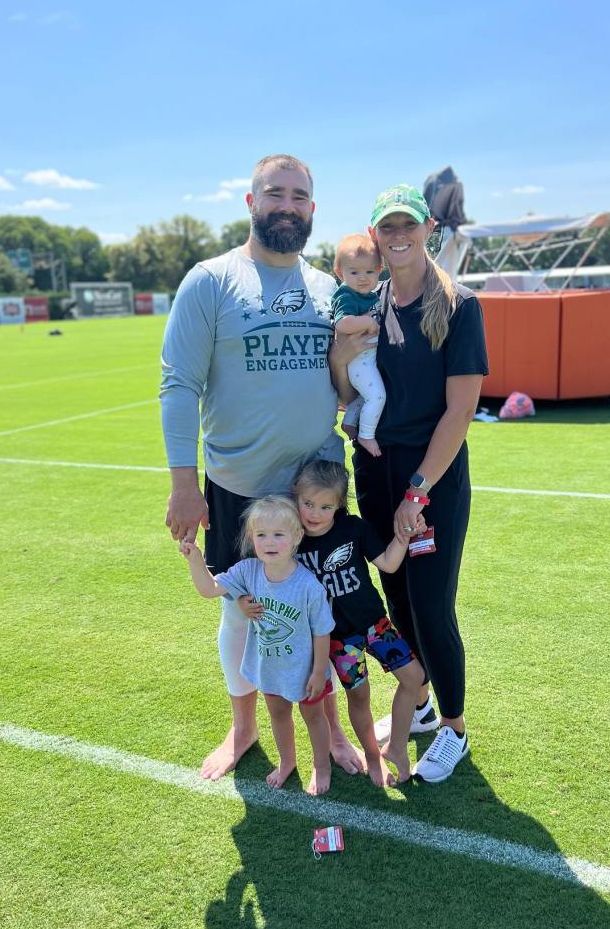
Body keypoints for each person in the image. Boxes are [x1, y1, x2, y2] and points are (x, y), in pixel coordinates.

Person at [161, 153, 367, 781]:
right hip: (241, 490)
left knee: (322, 613)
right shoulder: (211, 280)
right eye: (274, 193)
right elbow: (178, 385)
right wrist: (183, 484)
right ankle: (244, 726)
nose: (286, 204)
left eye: (299, 196)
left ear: (312, 210)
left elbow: (345, 384)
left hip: (316, 492)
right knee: (241, 611)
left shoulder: (329, 290)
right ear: (251, 203)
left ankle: (331, 730)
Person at [331, 183, 489, 783]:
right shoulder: (368, 306)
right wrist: (341, 359)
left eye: (408, 225)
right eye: (386, 228)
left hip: (431, 480)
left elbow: (460, 411)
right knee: (395, 597)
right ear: (374, 237)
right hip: (374, 470)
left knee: (430, 604)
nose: (398, 236)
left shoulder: (459, 304)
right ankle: (417, 707)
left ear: (428, 230)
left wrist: (417, 493)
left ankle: (453, 727)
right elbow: (349, 397)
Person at [180, 496, 335, 795]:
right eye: (261, 535)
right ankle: (287, 761)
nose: (269, 542)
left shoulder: (308, 586)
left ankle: (321, 765)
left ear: (296, 537)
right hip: (270, 668)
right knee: (278, 715)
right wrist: (194, 556)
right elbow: (209, 589)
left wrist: (318, 672)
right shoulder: (248, 571)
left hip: (304, 671)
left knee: (314, 718)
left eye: (279, 534)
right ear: (252, 538)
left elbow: (322, 631)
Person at [292, 460, 426, 786]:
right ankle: (372, 756)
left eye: (325, 506)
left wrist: (405, 534)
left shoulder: (354, 528)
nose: (314, 513)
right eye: (308, 503)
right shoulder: (294, 540)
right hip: (338, 640)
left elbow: (390, 564)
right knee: (360, 697)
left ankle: (395, 747)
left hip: (375, 625)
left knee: (415, 677)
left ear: (338, 505)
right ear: (296, 497)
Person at [330, 234, 384, 456]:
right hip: (359, 360)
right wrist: (368, 322)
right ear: (340, 272)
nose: (363, 278)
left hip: (367, 358)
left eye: (369, 272)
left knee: (363, 396)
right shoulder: (346, 295)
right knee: (377, 396)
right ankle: (367, 435)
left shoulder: (370, 295)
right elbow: (343, 323)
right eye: (354, 272)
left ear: (379, 270)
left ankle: (350, 423)